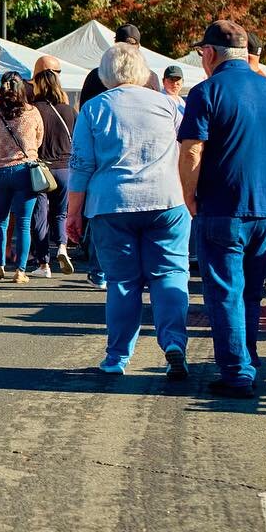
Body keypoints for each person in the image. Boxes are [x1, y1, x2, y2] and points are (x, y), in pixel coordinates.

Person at [178, 20, 266, 398]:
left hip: (221, 206)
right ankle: (246, 360)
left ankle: (236, 373)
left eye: (202, 52)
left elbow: (191, 150)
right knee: (251, 292)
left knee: (224, 292)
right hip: (265, 209)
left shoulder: (206, 92)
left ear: (211, 53)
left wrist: (189, 195)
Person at [66, 43, 190, 377]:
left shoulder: (93, 109)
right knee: (170, 274)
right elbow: (189, 150)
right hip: (167, 199)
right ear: (144, 71)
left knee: (122, 282)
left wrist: (73, 213)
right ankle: (174, 344)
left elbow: (80, 166)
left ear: (104, 75)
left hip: (112, 204)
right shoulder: (170, 104)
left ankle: (117, 357)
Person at [0, 72, 44, 284]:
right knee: (24, 223)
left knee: (0, 220)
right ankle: (20, 270)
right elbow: (38, 141)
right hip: (25, 171)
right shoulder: (32, 113)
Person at [27, 56, 77, 278]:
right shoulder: (69, 110)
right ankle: (63, 248)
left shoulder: (32, 110)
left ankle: (42, 263)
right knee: (60, 213)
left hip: (41, 170)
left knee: (40, 215)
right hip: (66, 168)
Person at [77, 25, 162, 105]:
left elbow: (84, 112)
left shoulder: (97, 75)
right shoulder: (151, 77)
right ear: (139, 46)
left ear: (115, 44)